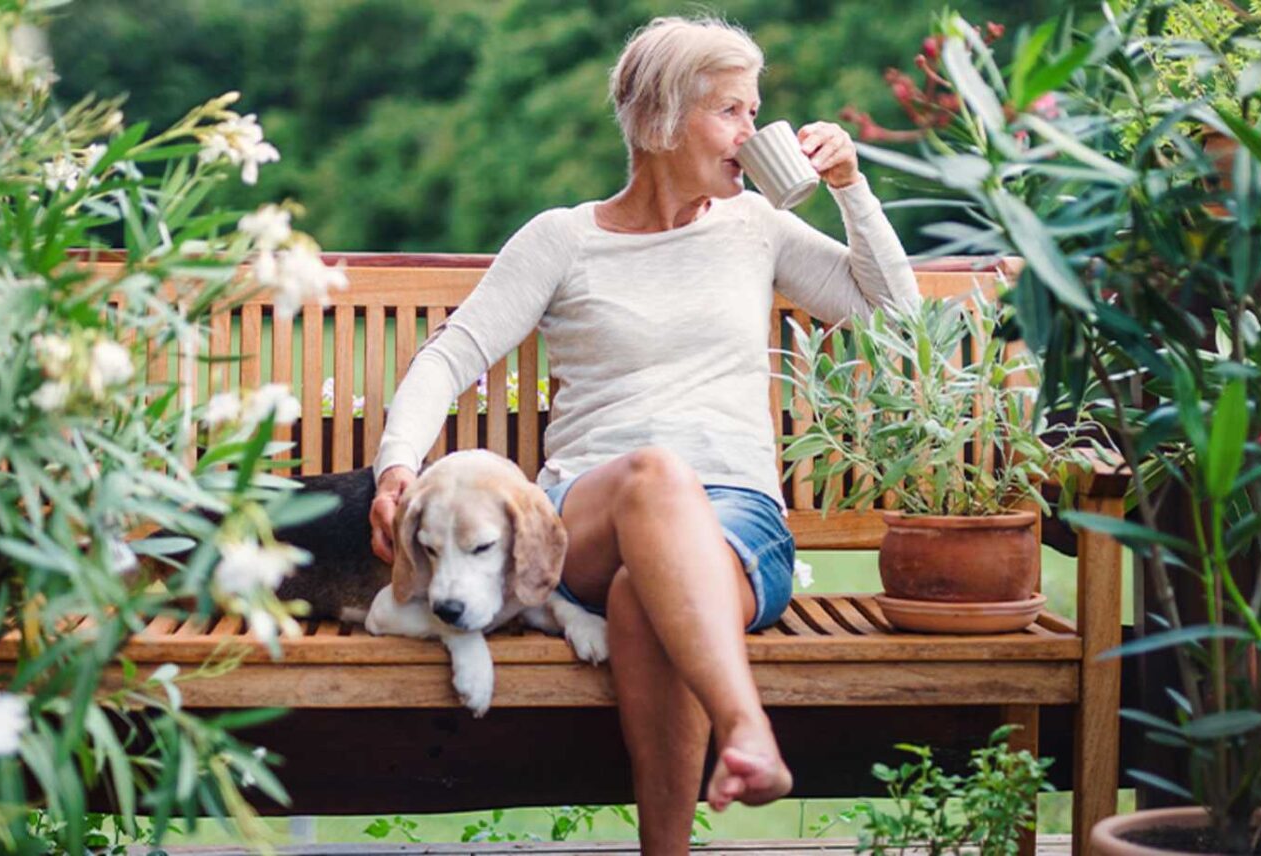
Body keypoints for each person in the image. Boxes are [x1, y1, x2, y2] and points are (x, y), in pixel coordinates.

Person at [368, 15, 919, 852]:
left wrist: (849, 184)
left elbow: (896, 320)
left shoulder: (755, 230)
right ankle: (749, 730)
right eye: (732, 111)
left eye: (755, 110)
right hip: (583, 519)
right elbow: (450, 358)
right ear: (662, 120)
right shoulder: (564, 240)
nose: (754, 132)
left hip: (736, 520)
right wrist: (395, 469)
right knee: (656, 476)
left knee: (641, 596)